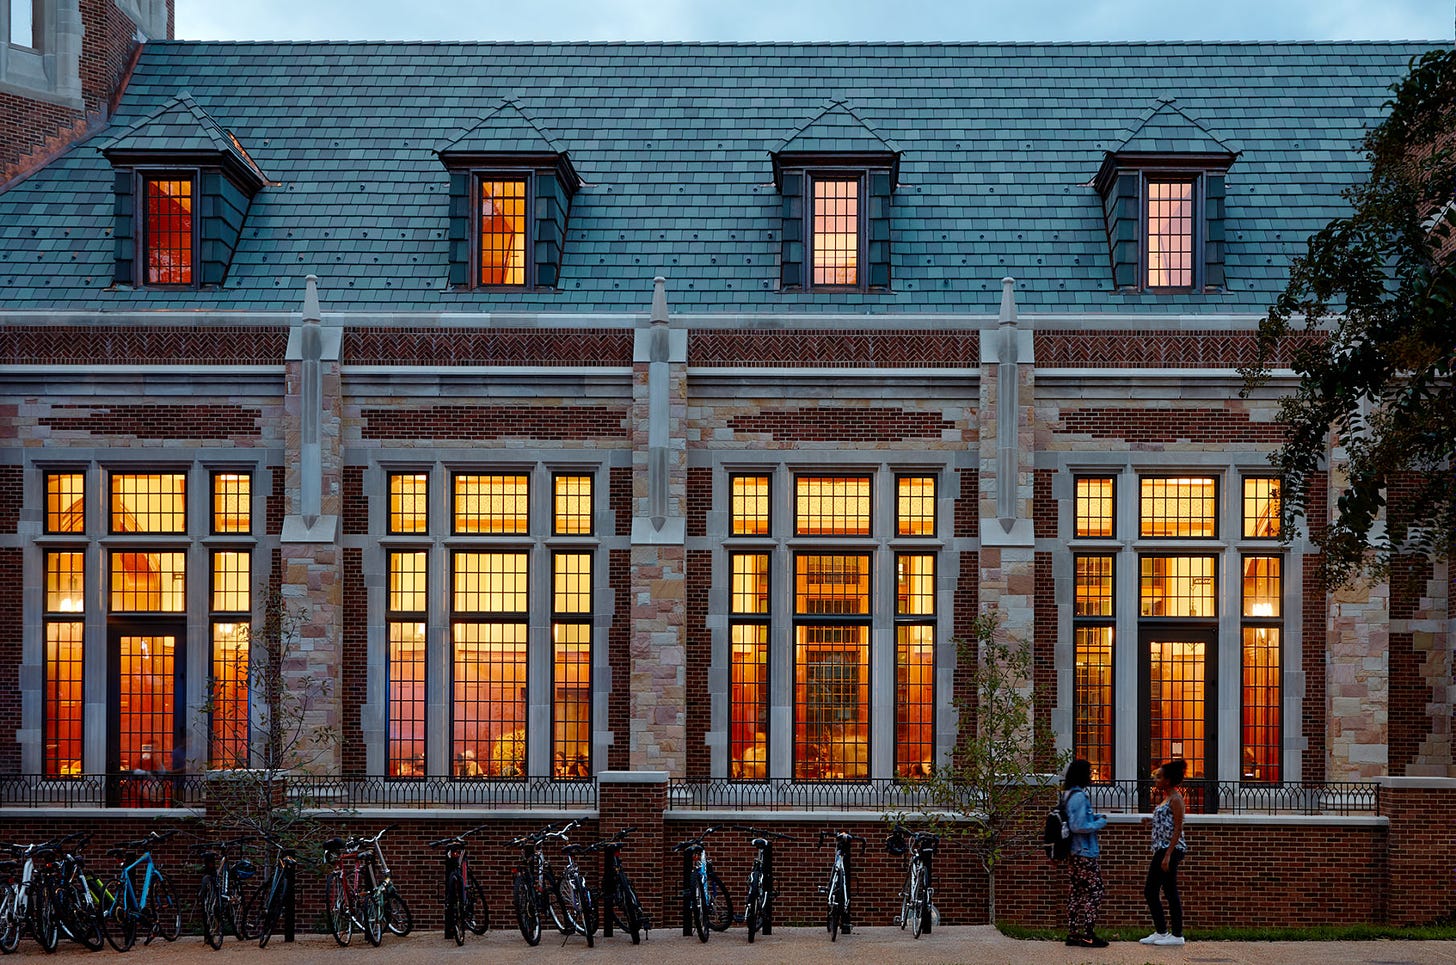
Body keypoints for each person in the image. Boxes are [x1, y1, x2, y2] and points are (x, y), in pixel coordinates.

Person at [1141, 759, 1189, 947]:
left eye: (1159, 777)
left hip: (1169, 850)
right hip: (1162, 848)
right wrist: (1150, 822)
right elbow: (1166, 824)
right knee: (1163, 891)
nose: (1156, 780)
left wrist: (1168, 855)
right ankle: (1162, 932)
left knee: (1155, 890)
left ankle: (1175, 935)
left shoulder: (1176, 799)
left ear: (1167, 780)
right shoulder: (1166, 798)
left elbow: (1178, 828)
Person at [1062, 758, 1109, 949]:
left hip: (1074, 852)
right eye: (1089, 773)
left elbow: (1078, 819)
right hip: (1084, 853)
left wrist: (1094, 817)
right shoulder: (1079, 796)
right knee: (1095, 892)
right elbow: (1078, 825)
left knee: (1076, 892)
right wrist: (1099, 823)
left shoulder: (1068, 795)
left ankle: (1073, 934)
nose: (1091, 776)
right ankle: (1088, 935)